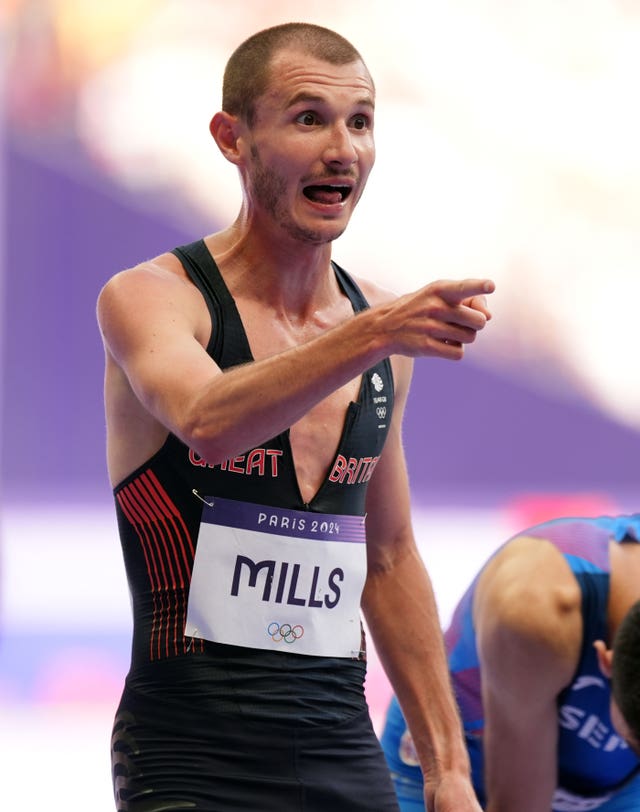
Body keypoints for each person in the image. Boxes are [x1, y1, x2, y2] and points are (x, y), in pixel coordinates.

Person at [97, 21, 495, 812]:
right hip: (188, 752)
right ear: (232, 138)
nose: (342, 148)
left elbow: (387, 558)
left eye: (361, 121)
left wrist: (450, 771)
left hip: (338, 746)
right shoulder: (153, 298)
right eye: (308, 118)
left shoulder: (380, 330)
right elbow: (209, 420)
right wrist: (372, 332)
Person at [380, 514, 640, 811]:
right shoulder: (535, 609)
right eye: (634, 744)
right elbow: (517, 804)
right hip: (467, 763)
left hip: (615, 785)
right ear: (607, 662)